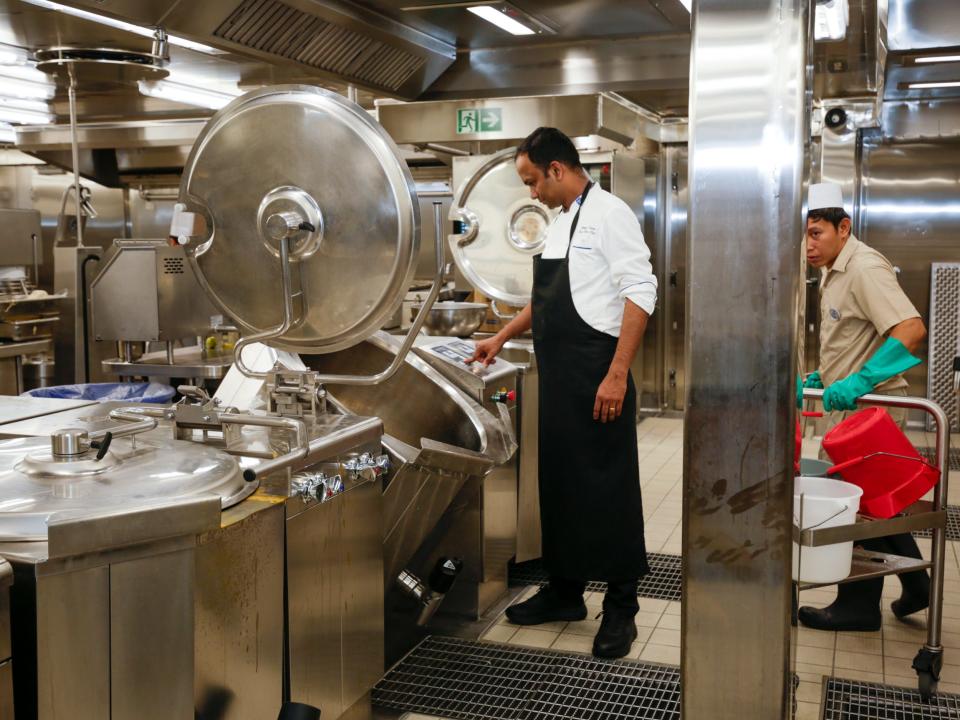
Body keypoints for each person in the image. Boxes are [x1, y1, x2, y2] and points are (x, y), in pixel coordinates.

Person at [466, 127, 657, 659]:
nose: (531, 193)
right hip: (559, 376)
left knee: (609, 489)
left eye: (532, 181)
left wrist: (617, 373)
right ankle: (566, 592)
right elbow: (546, 300)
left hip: (598, 372)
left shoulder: (611, 214)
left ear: (557, 169)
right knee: (562, 484)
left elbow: (640, 293)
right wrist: (500, 336)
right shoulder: (560, 221)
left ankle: (621, 608)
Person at [797, 182, 929, 632]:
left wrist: (861, 380)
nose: (808, 245)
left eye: (816, 233)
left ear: (843, 227)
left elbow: (911, 329)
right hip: (850, 411)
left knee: (859, 508)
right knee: (876, 505)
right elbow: (854, 337)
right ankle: (916, 584)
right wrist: (825, 376)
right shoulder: (834, 270)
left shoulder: (864, 267)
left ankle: (857, 606)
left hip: (872, 413)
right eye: (805, 235)